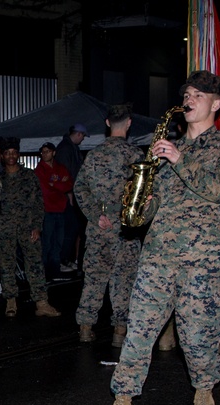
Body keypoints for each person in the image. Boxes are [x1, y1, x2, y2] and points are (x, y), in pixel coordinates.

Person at [99, 71, 220, 405]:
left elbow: (215, 190)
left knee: (199, 337)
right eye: (187, 93)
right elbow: (153, 206)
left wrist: (179, 159)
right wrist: (139, 204)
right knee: (138, 334)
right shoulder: (164, 149)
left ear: (215, 103)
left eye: (198, 94)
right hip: (157, 257)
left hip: (201, 260)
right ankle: (122, 404)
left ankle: (204, 395)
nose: (189, 98)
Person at [74, 103, 144, 346]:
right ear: (129, 123)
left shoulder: (93, 155)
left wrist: (96, 215)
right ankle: (119, 333)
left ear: (107, 124)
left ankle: (85, 327)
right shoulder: (135, 156)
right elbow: (143, 193)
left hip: (99, 227)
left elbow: (79, 188)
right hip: (125, 228)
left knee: (94, 278)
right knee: (123, 280)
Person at [0, 137, 61, 318]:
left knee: (35, 265)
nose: (11, 156)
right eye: (7, 153)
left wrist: (37, 227)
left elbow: (38, 204)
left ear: (18, 154)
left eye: (14, 153)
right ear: (3, 156)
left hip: (27, 228)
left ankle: (41, 303)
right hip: (3, 229)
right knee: (6, 266)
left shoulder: (29, 176)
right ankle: (11, 302)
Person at [35, 142, 74, 279]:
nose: (45, 154)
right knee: (47, 242)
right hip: (47, 210)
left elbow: (68, 184)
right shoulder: (39, 170)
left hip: (60, 209)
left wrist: (55, 184)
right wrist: (59, 185)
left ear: (53, 153)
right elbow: (44, 189)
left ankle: (55, 270)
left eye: (47, 151)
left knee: (58, 241)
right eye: (43, 151)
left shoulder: (60, 167)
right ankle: (44, 272)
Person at [55, 123, 88, 271]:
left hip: (72, 193)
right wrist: (69, 194)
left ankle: (66, 259)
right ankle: (63, 259)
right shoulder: (66, 149)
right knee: (70, 227)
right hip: (67, 195)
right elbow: (65, 174)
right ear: (79, 134)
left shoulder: (71, 148)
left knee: (73, 228)